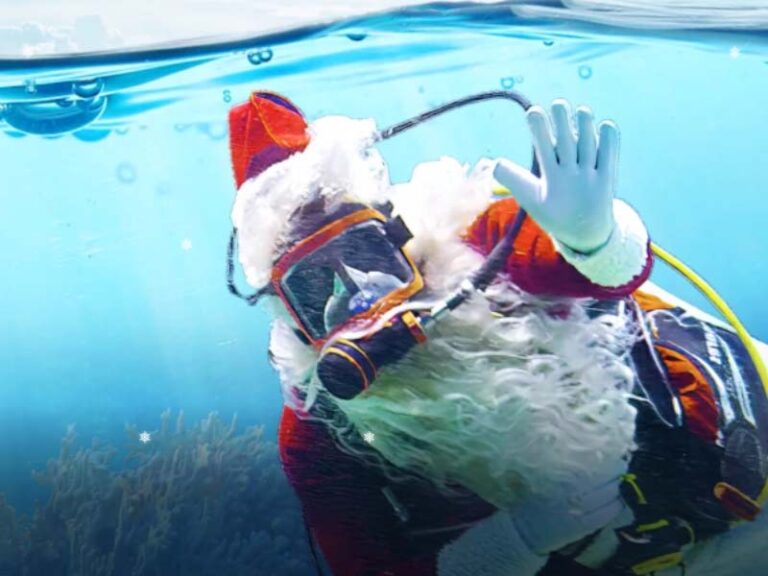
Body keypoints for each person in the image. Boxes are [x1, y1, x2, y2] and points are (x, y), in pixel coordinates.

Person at [226, 91, 768, 576]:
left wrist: (597, 239)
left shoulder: (471, 246)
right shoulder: (317, 433)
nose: (362, 298)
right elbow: (367, 567)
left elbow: (569, 260)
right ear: (289, 317)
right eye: (316, 288)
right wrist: (515, 542)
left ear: (401, 237)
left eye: (367, 255)